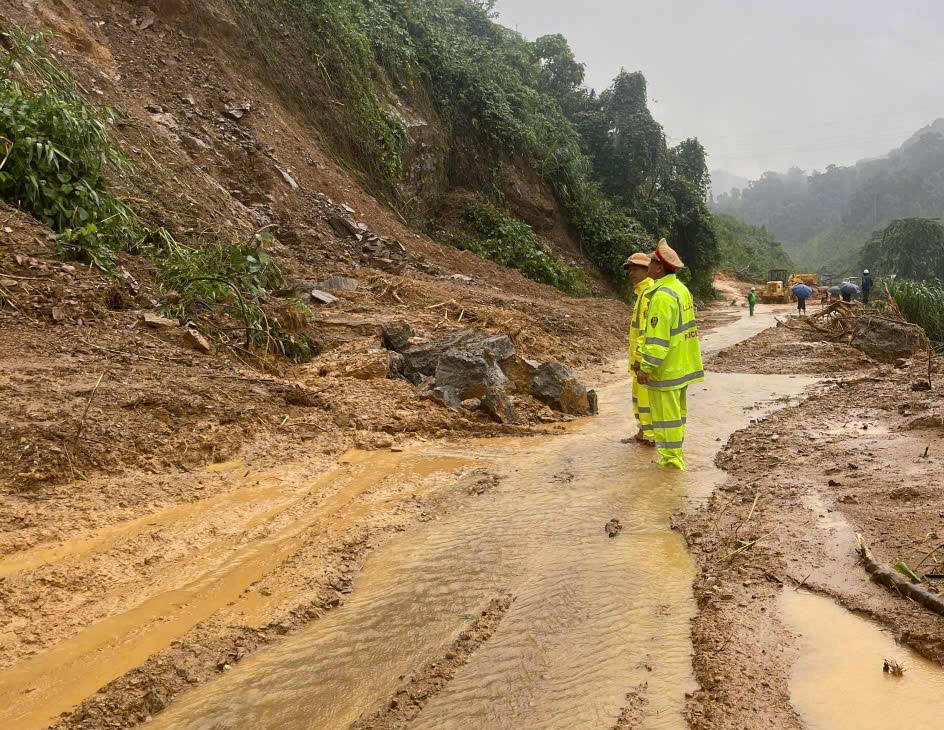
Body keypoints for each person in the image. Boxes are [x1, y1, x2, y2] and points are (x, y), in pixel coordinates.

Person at [633, 239, 704, 470]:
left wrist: (645, 367)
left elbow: (657, 341)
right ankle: (674, 457)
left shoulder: (661, 296)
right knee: (676, 416)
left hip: (666, 370)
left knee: (666, 419)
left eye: (651, 262)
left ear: (659, 268)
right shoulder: (681, 290)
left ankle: (672, 463)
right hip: (682, 366)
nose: (648, 265)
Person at [622, 252, 655, 446]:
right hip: (638, 360)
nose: (631, 273)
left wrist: (639, 359)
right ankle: (643, 433)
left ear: (647, 270)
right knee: (639, 398)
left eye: (635, 269)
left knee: (645, 399)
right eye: (629, 269)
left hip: (641, 361)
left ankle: (650, 437)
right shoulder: (642, 293)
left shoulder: (648, 294)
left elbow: (646, 332)